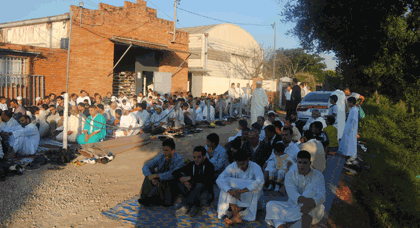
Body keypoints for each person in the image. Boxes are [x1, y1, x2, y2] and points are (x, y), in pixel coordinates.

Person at [216, 150, 264, 226]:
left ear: (248, 160)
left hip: (252, 197)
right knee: (227, 183)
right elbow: (219, 179)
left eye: (242, 164)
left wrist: (241, 191)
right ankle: (236, 216)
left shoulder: (255, 166)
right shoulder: (233, 165)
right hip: (235, 195)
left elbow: (260, 181)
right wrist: (230, 191)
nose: (240, 167)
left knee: (254, 186)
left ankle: (233, 215)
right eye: (238, 164)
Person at [139, 139, 184, 207]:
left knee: (166, 180)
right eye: (163, 150)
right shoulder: (161, 157)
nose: (164, 152)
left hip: (173, 184)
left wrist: (156, 176)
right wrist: (151, 178)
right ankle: (145, 197)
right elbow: (146, 166)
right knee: (148, 175)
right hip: (160, 180)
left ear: (173, 150)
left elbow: (172, 174)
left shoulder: (179, 160)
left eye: (166, 150)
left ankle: (156, 198)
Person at [173, 146, 215, 216]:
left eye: (198, 157)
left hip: (205, 194)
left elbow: (206, 180)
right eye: (194, 157)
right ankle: (194, 205)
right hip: (192, 191)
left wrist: (190, 178)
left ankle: (186, 206)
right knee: (180, 182)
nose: (196, 159)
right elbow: (175, 172)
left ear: (204, 157)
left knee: (199, 185)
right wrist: (184, 181)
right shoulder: (192, 165)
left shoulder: (210, 166)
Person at [338, 97, 359, 165]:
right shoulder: (353, 109)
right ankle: (349, 156)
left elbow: (353, 121)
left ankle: (351, 158)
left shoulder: (355, 110)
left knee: (351, 144)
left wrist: (350, 130)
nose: (347, 104)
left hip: (351, 131)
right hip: (349, 130)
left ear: (351, 103)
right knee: (348, 143)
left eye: (348, 102)